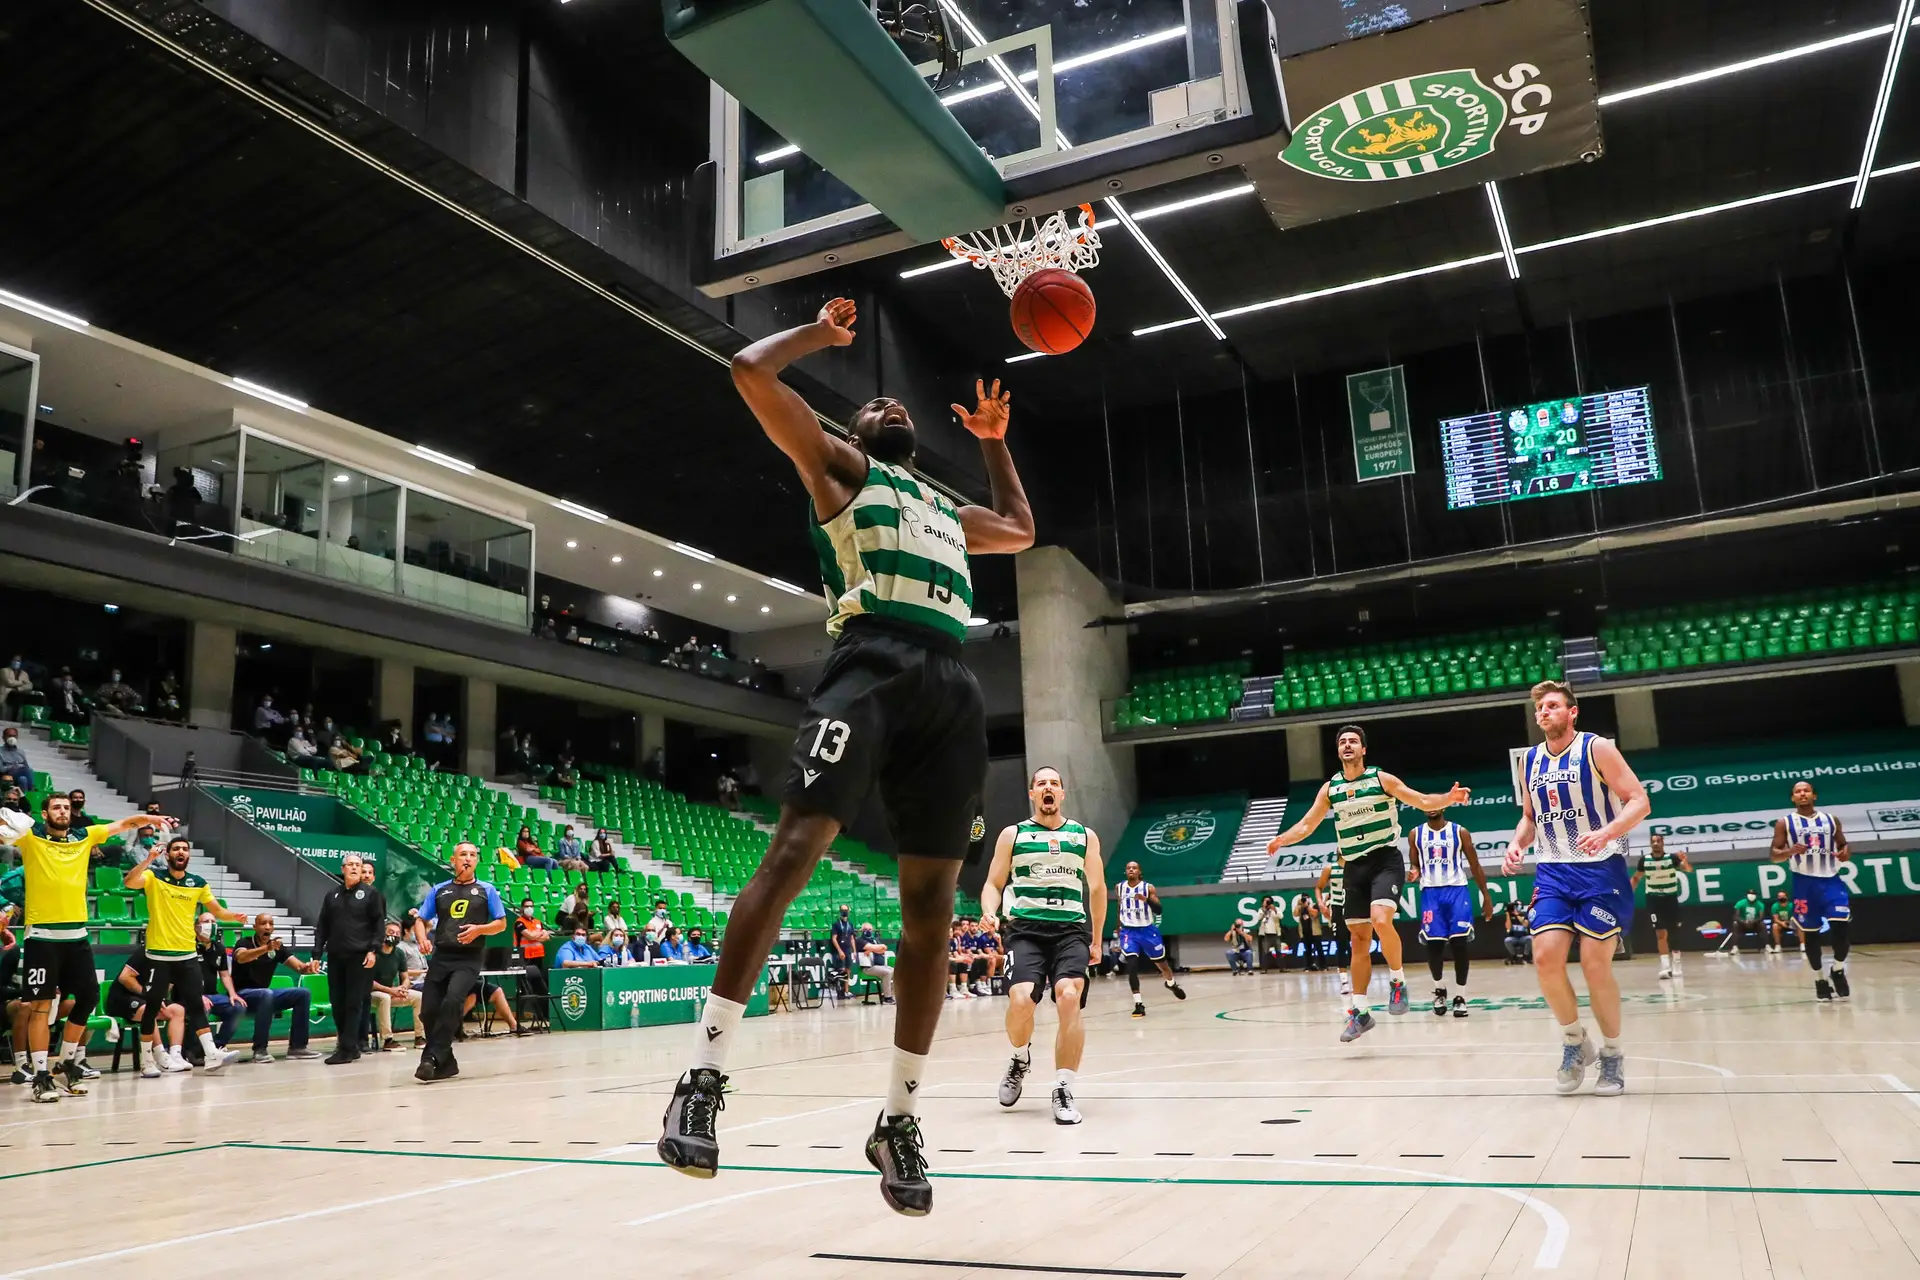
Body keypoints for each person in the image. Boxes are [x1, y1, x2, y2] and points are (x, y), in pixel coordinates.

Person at [658, 297, 1035, 1219]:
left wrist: (991, 439)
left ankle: (898, 1119)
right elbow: (750, 371)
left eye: (902, 411)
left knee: (933, 914)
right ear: (851, 431)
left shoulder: (948, 510)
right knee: (792, 855)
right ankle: (702, 1076)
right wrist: (823, 341)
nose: (892, 408)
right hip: (868, 666)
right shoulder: (840, 471)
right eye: (876, 408)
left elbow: (1020, 529)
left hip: (951, 686)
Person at [1269, 726, 1468, 1043]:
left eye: (1353, 741)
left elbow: (1418, 800)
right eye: (1342, 742)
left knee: (1380, 919)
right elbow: (1308, 824)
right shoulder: (1331, 789)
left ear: (1363, 750)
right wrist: (1283, 839)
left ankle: (1397, 981)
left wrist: (1448, 798)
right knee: (1359, 940)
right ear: (1338, 751)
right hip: (1354, 868)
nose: (1347, 745)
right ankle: (1360, 1013)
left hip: (1385, 861)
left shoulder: (1381, 779)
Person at [1504, 680, 1651, 1097]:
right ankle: (1573, 1042)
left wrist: (1607, 833)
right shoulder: (1529, 761)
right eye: (1539, 708)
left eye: (1552, 706)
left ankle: (1613, 1054)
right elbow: (1530, 818)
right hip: (1552, 870)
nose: (1544, 712)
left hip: (1600, 870)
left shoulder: (1596, 748)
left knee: (1593, 963)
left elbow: (1639, 800)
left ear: (1573, 712)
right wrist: (1517, 843)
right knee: (1545, 957)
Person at [1, 795, 173, 1101]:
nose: (63, 811)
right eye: (57, 807)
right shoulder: (31, 836)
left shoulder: (85, 835)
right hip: (42, 936)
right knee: (41, 1006)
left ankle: (66, 1064)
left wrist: (150, 819)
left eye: (67, 807)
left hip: (77, 935)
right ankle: (41, 1078)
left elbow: (122, 825)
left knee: (89, 997)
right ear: (45, 813)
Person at [981, 766, 1105, 1127]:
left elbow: (1096, 890)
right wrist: (990, 911)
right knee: (1021, 1000)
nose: (1048, 788)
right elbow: (993, 883)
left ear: (1062, 794)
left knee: (1069, 995)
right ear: (1032, 794)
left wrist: (1096, 939)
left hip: (1070, 930)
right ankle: (1020, 1057)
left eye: (1054, 783)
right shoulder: (1013, 835)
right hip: (1025, 930)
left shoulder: (1084, 836)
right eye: (1041, 784)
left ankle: (1064, 1087)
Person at [125, 835, 249, 1073]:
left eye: (185, 849)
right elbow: (130, 882)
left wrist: (234, 916)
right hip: (159, 954)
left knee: (196, 1004)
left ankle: (211, 1053)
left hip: (187, 954)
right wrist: (149, 859)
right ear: (168, 854)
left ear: (188, 855)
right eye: (176, 849)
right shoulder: (154, 877)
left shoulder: (198, 883)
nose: (181, 852)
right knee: (151, 1009)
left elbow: (218, 910)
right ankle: (147, 1061)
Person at [413, 842, 507, 1082]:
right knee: (428, 1011)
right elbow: (420, 919)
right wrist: (422, 938)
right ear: (453, 860)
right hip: (441, 956)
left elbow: (501, 923)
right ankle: (447, 1062)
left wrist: (480, 930)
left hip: (469, 957)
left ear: (477, 861)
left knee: (454, 999)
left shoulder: (487, 890)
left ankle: (430, 1058)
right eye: (463, 854)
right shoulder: (439, 890)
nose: (468, 858)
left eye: (473, 855)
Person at [1771, 780, 1853, 1001]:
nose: (1803, 794)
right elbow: (1774, 855)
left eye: (1806, 790)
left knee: (1841, 929)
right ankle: (1819, 978)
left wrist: (1845, 853)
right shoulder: (1784, 823)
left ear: (1814, 795)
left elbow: (1844, 845)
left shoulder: (1830, 819)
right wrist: (1789, 851)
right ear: (1793, 798)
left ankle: (1837, 969)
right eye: (1798, 792)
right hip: (1804, 884)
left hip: (1831, 881)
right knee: (1811, 934)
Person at [1408, 807, 1489, 1019]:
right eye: (1426, 804)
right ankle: (1439, 990)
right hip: (1430, 893)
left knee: (1459, 943)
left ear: (1443, 806)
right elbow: (1415, 864)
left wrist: (1486, 896)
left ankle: (1461, 996)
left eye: (1435, 803)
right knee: (1434, 944)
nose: (1431, 807)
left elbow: (1475, 864)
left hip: (1457, 890)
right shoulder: (1415, 834)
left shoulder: (1460, 832)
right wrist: (1414, 872)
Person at [315, 852, 387, 1064]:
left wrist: (373, 950)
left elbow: (378, 925)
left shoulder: (371, 894)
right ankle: (349, 1045)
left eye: (358, 864)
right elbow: (322, 927)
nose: (355, 868)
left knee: (354, 1002)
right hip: (336, 956)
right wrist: (317, 953)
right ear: (343, 869)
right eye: (351, 865)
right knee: (337, 1002)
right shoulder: (332, 896)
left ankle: (347, 1048)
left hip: (360, 956)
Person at [230, 914, 322, 1062]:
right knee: (266, 994)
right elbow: (241, 957)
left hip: (265, 996)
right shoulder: (244, 942)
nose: (267, 927)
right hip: (243, 995)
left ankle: (297, 1047)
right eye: (263, 923)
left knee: (302, 993)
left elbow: (299, 967)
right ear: (255, 927)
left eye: (271, 924)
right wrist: (266, 949)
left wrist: (308, 967)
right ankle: (260, 1050)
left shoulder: (276, 947)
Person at [1112, 860, 1186, 1017]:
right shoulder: (1120, 887)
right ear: (1125, 871)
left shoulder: (1148, 888)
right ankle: (1138, 1004)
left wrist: (1146, 899)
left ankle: (1171, 984)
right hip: (1128, 932)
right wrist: (1118, 927)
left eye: (1134, 868)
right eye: (1128, 868)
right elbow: (1120, 907)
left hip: (1147, 931)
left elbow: (1159, 910)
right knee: (1131, 965)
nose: (1131, 870)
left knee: (1162, 964)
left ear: (1140, 872)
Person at [101, 957, 188, 1077]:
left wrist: (159, 997)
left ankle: (175, 1055)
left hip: (148, 998)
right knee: (149, 1009)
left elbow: (168, 985)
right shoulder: (144, 953)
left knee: (178, 1010)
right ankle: (160, 1056)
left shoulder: (175, 958)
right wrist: (149, 996)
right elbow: (124, 977)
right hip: (123, 999)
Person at [1630, 834, 1692, 978]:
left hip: (1670, 899)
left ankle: (1677, 964)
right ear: (1650, 845)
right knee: (1660, 934)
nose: (1656, 844)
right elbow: (1636, 877)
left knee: (1674, 932)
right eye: (1653, 842)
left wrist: (1685, 861)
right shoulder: (1645, 860)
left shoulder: (1672, 858)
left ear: (1663, 843)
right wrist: (1628, 892)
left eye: (1658, 841)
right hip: (1653, 900)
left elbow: (1688, 870)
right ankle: (1666, 967)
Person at [370, 921, 421, 1049]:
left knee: (419, 997)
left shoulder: (399, 953)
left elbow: (405, 977)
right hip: (371, 994)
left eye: (397, 933)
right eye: (391, 933)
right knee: (384, 998)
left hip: (392, 992)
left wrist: (403, 987)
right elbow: (368, 982)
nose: (395, 936)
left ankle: (420, 1037)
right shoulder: (373, 953)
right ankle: (388, 1040)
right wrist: (391, 991)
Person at [513, 897, 552, 1024]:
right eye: (526, 906)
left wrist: (538, 935)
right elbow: (530, 936)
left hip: (538, 958)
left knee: (540, 988)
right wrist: (540, 934)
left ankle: (542, 1015)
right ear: (522, 908)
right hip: (525, 958)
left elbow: (546, 937)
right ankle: (519, 1016)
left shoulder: (538, 922)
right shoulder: (519, 923)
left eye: (531, 906)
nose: (529, 908)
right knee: (524, 988)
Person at [854, 924, 893, 999]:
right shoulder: (860, 941)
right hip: (868, 968)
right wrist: (876, 948)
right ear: (862, 931)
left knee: (895, 971)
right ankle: (887, 998)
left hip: (879, 966)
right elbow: (880, 947)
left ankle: (887, 993)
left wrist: (871, 950)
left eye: (870, 929)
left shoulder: (874, 940)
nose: (868, 931)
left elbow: (884, 949)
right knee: (888, 972)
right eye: (865, 929)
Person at [1728, 890, 1768, 955]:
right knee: (1735, 924)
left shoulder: (1760, 904)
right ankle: (1735, 947)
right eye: (1750, 894)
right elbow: (1736, 916)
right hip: (1742, 925)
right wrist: (1743, 921)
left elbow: (1761, 917)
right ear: (1747, 895)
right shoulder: (1740, 903)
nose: (1751, 896)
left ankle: (1767, 946)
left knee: (1762, 924)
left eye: (1753, 894)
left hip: (1755, 924)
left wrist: (1753, 921)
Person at [1254, 896, 1286, 972]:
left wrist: (1274, 909)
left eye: (1268, 901)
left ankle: (1282, 968)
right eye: (1265, 901)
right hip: (1265, 934)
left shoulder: (1276, 909)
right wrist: (1264, 910)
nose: (1267, 903)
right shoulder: (1261, 910)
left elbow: (1281, 916)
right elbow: (1258, 918)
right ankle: (1264, 969)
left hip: (1275, 933)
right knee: (1265, 953)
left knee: (1279, 952)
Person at [0, 727, 32, 792]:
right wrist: (13, 766)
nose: (12, 738)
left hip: (19, 776)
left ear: (17, 737)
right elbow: (1, 769)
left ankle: (23, 799)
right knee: (25, 770)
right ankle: (31, 789)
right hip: (6, 776)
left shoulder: (21, 752)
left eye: (14, 736)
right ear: (3, 737)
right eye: (9, 736)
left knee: (23, 779)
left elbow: (26, 766)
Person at [1769, 890, 1794, 955]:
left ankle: (1802, 944)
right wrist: (1782, 923)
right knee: (1775, 926)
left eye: (1783, 896)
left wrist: (1789, 922)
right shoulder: (1775, 906)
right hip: (1781, 924)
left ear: (1786, 897)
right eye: (1780, 896)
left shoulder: (1791, 905)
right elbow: (1776, 919)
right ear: (1777, 898)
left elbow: (1795, 917)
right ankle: (1778, 946)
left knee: (1800, 925)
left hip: (1791, 923)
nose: (1781, 897)